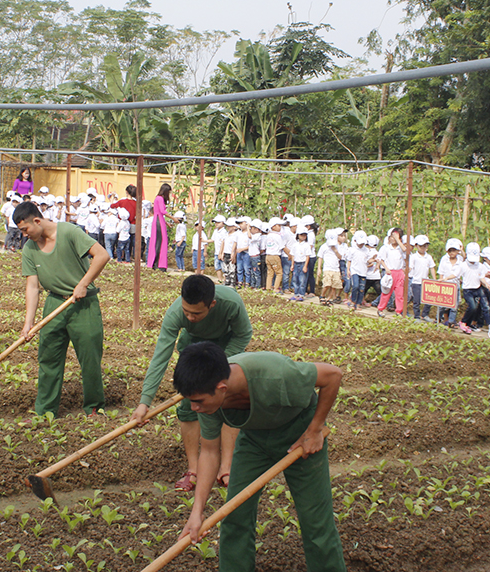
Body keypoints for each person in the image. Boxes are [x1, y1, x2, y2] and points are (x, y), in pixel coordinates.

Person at [175, 342, 346, 572]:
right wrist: (197, 513)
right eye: (190, 401)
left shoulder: (274, 374)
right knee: (235, 516)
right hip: (254, 440)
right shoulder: (206, 401)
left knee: (316, 522)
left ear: (222, 388)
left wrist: (314, 429)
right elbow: (208, 451)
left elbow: (333, 375)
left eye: (198, 401)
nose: (194, 408)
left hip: (300, 434)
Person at [131, 274, 253, 490]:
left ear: (212, 304)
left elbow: (243, 335)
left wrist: (219, 364)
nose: (189, 317)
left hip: (226, 348)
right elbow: (161, 356)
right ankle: (194, 469)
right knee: (189, 404)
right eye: (186, 312)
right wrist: (144, 402)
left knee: (227, 401)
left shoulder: (231, 303)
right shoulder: (176, 313)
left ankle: (227, 467)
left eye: (196, 313)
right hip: (194, 346)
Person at [15, 201, 109, 416]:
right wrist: (29, 322)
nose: (24, 235)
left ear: (37, 221)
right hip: (54, 303)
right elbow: (32, 286)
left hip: (83, 304)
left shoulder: (69, 232)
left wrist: (83, 284)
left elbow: (102, 255)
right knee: (48, 358)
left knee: (89, 358)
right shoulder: (29, 248)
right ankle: (45, 411)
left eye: (25, 229)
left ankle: (94, 408)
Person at [377, 228, 408, 314]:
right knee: (386, 292)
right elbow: (381, 259)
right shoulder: (386, 248)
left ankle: (399, 311)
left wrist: (398, 240)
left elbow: (405, 250)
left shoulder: (400, 249)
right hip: (390, 272)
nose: (392, 239)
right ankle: (381, 308)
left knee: (399, 294)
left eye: (394, 237)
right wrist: (386, 268)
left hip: (399, 272)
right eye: (391, 237)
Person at [408, 235, 436, 321]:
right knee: (417, 300)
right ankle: (416, 316)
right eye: (421, 246)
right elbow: (410, 267)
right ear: (416, 246)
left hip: (426, 281)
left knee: (429, 300)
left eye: (425, 246)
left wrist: (434, 280)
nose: (423, 248)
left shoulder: (429, 257)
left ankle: (425, 314)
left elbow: (432, 268)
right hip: (416, 281)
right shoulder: (414, 257)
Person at [437, 238, 464, 326]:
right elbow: (441, 271)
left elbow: (457, 273)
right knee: (442, 305)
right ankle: (438, 318)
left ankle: (451, 321)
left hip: (455, 285)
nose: (452, 253)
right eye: (450, 251)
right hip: (445, 285)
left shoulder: (460, 259)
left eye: (454, 250)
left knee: (454, 305)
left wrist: (462, 249)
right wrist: (441, 280)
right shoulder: (444, 259)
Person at [110, 185, 138, 261]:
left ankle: (120, 256)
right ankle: (129, 257)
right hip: (132, 223)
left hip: (122, 224)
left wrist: (112, 196)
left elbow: (112, 206)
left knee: (120, 241)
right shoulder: (136, 203)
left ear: (126, 192)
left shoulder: (122, 201)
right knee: (131, 242)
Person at [147, 183, 171, 271]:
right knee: (159, 242)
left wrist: (167, 223)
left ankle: (158, 263)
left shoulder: (158, 198)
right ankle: (157, 264)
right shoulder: (159, 198)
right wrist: (173, 218)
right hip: (158, 222)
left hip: (159, 221)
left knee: (161, 242)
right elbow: (162, 211)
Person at [290, 225, 312, 301]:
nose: (303, 237)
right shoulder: (295, 245)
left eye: (304, 235)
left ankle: (301, 294)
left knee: (302, 280)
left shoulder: (306, 245)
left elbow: (307, 256)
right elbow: (293, 255)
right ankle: (296, 294)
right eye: (301, 235)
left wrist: (305, 266)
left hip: (302, 263)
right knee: (295, 279)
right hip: (296, 263)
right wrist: (292, 264)